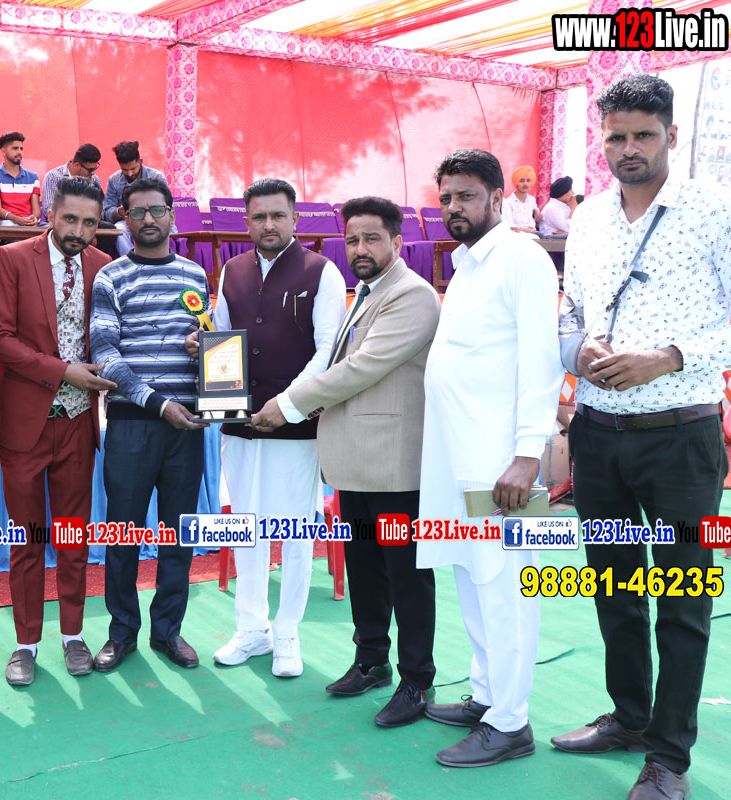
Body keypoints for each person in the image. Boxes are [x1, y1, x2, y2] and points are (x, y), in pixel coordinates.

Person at [554, 73, 731, 800]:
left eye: (643, 135)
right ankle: (628, 718)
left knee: (682, 599)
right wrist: (580, 350)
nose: (628, 149)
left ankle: (669, 759)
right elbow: (570, 310)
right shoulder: (589, 219)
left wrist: (669, 357)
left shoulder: (714, 210)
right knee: (614, 588)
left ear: (672, 136)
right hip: (598, 433)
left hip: (682, 437)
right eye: (616, 137)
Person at [254, 195, 440, 725]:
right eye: (352, 239)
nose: (360, 248)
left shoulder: (413, 295)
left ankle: (416, 681)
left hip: (395, 465)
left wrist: (288, 404)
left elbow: (360, 369)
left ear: (397, 242)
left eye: (372, 238)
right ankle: (371, 661)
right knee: (364, 570)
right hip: (355, 463)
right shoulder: (365, 293)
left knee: (406, 577)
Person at [418, 149, 563, 767]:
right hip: (454, 459)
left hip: (501, 466)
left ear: (499, 199)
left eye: (467, 196)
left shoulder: (523, 260)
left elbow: (541, 362)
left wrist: (527, 456)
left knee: (506, 588)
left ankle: (510, 722)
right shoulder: (466, 265)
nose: (454, 207)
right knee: (471, 578)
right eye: (447, 198)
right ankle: (486, 696)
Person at [189, 178, 345, 678]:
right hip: (238, 422)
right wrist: (203, 346)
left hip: (296, 424)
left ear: (295, 219)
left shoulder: (322, 272)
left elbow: (327, 349)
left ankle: (287, 632)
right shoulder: (231, 270)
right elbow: (222, 335)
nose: (269, 224)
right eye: (259, 216)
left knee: (294, 528)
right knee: (246, 524)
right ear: (246, 222)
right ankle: (251, 628)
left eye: (278, 215)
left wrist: (288, 403)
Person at [0, 176, 115, 685]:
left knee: (72, 537)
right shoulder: (13, 259)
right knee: (27, 542)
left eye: (89, 223)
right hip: (24, 425)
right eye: (70, 219)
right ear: (50, 214)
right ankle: (25, 644)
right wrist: (63, 372)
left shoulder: (103, 267)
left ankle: (73, 635)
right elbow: (0, 337)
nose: (78, 231)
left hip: (79, 425)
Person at [89, 177, 207, 673]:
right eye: (137, 212)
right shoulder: (110, 277)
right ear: (124, 220)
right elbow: (105, 355)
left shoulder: (195, 275)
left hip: (187, 427)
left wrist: (205, 353)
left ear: (172, 215)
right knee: (123, 534)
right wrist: (158, 404)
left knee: (179, 535)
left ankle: (168, 632)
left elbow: (208, 343)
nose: (149, 219)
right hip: (133, 423)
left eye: (157, 210)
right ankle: (122, 633)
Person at [102, 141, 169, 256]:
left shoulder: (157, 177)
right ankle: (133, 260)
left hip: (155, 217)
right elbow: (107, 212)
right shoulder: (113, 180)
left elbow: (168, 207)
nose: (129, 173)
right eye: (124, 170)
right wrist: (119, 212)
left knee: (168, 229)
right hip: (127, 220)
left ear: (140, 161)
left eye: (133, 168)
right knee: (118, 230)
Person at [0, 132, 41, 226]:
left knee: (51, 229)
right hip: (7, 222)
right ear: (3, 151)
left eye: (21, 149)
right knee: (8, 226)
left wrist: (34, 219)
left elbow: (36, 210)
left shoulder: (33, 177)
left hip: (29, 221)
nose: (19, 152)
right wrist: (18, 219)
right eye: (15, 148)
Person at [40, 144, 102, 221]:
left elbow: (99, 210)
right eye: (90, 170)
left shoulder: (95, 180)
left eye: (95, 168)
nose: (93, 173)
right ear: (76, 165)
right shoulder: (53, 177)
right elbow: (48, 209)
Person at [501, 165, 542, 235]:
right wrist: (530, 231)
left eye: (528, 180)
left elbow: (536, 211)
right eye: (521, 181)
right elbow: (511, 227)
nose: (525, 184)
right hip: (518, 235)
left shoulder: (532, 200)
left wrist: (537, 211)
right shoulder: (508, 203)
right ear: (516, 183)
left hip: (533, 233)